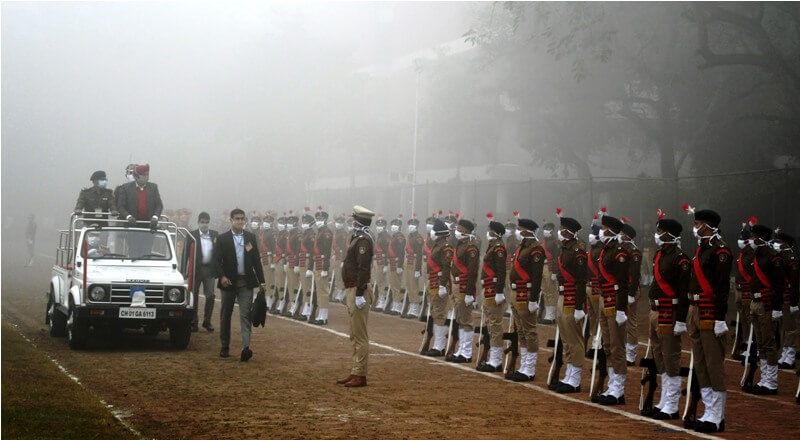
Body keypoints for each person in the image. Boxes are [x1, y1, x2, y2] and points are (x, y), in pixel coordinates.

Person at [682, 205, 732, 433]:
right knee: (701, 365)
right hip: (696, 310)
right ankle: (709, 411)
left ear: (708, 226)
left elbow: (721, 289)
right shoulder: (702, 249)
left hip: (711, 312)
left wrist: (720, 318)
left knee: (713, 364)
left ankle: (717, 416)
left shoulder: (720, 251)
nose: (694, 227)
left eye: (697, 224)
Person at [643, 216, 690, 420]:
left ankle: (672, 404)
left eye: (661, 231)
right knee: (659, 356)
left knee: (670, 357)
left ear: (669, 234)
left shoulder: (681, 258)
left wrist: (680, 320)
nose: (658, 235)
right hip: (655, 310)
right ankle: (664, 400)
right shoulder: (660, 254)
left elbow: (683, 291)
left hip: (669, 312)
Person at [215, 209, 266, 361]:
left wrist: (261, 281)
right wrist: (222, 277)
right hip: (228, 282)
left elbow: (256, 260)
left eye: (242, 219)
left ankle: (246, 348)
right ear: (231, 220)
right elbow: (217, 261)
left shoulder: (250, 237)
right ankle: (225, 345)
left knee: (245, 315)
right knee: (226, 315)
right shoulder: (222, 239)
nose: (240, 221)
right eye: (237, 219)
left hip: (246, 282)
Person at [743, 223, 785, 395]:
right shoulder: (757, 255)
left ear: (761, 238)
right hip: (755, 302)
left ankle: (772, 382)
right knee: (760, 344)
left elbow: (779, 284)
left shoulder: (773, 257)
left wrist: (776, 307)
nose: (750, 239)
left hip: (767, 304)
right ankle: (764, 379)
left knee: (769, 344)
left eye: (753, 236)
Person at [336, 205, 375, 388]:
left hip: (358, 290)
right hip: (352, 288)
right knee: (354, 334)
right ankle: (355, 371)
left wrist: (360, 293)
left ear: (358, 221)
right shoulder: (358, 238)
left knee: (360, 336)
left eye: (354, 219)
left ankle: (360, 374)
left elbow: (363, 268)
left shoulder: (363, 241)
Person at [593, 214, 630, 405]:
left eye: (604, 228)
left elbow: (623, 284)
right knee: (607, 346)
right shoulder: (605, 250)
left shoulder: (619, 253)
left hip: (614, 302)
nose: (601, 231)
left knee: (617, 346)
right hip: (604, 300)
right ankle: (612, 385)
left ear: (612, 231)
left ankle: (618, 389)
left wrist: (621, 309)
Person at [551, 213, 588, 393]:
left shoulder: (577, 251)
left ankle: (575, 378)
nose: (558, 232)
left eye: (561, 229)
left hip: (572, 298)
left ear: (568, 232)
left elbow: (581, 280)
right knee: (566, 339)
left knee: (574, 339)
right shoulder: (565, 249)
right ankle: (569, 372)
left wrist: (579, 307)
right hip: (563, 295)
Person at [506, 217, 545, 381]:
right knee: (521, 331)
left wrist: (533, 299)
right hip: (516, 293)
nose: (516, 232)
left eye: (519, 229)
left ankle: (529, 368)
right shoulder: (522, 247)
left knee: (529, 331)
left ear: (525, 232)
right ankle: (523, 366)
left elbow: (536, 277)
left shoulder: (536, 249)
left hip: (526, 293)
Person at [476, 213, 507, 373]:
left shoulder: (499, 248)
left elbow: (501, 272)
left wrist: (499, 292)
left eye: (490, 231)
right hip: (488, 288)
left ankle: (496, 360)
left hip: (493, 289)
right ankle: (493, 358)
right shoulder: (493, 246)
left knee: (495, 325)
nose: (487, 233)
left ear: (496, 233)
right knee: (490, 323)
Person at [446, 219, 480, 363]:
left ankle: (466, 352)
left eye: (459, 228)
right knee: (460, 318)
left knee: (466, 320)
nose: (456, 230)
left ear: (465, 231)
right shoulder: (460, 244)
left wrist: (469, 293)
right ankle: (461, 349)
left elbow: (472, 272)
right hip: (456, 284)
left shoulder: (471, 248)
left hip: (464, 286)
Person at [422, 219, 454, 357]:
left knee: (440, 313)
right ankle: (437, 343)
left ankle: (439, 346)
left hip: (440, 281)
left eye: (434, 230)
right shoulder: (437, 245)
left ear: (439, 232)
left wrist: (442, 285)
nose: (432, 233)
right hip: (434, 280)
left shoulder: (445, 247)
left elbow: (446, 266)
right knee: (435, 311)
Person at [188, 212, 219, 332]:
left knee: (210, 295)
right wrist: (185, 270)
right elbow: (186, 253)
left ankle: (207, 321)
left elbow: (218, 254)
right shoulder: (192, 235)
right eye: (202, 222)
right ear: (198, 222)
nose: (204, 224)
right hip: (196, 270)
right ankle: (193, 321)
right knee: (193, 295)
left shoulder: (215, 235)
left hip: (209, 270)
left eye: (206, 222)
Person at [775, 232, 799, 369]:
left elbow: (794, 282)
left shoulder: (791, 258)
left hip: (789, 297)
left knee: (791, 328)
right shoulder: (782, 257)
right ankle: (785, 352)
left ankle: (790, 355)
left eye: (778, 241)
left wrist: (794, 302)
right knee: (784, 328)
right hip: (782, 297)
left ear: (785, 243)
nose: (776, 243)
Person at [621, 222, 643, 366]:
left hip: (630, 289)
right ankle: (623, 349)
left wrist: (631, 293)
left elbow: (634, 275)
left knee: (631, 322)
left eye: (622, 233)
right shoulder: (620, 249)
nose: (620, 235)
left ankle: (631, 353)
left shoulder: (634, 252)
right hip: (621, 288)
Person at [116, 164, 164, 228]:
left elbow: (159, 205)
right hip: (132, 224)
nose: (146, 177)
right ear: (136, 176)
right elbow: (121, 206)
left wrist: (155, 217)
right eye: (144, 175)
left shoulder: (153, 187)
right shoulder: (126, 188)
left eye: (147, 174)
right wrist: (128, 217)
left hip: (149, 224)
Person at [311, 209, 333, 325]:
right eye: (317, 219)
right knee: (319, 290)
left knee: (323, 290)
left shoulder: (326, 232)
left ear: (325, 220)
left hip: (322, 263)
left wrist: (325, 268)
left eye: (320, 219)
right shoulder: (319, 231)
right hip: (317, 262)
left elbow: (327, 251)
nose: (318, 221)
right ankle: (321, 312)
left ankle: (324, 315)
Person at [403, 213, 425, 319]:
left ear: (416, 226)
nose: (410, 227)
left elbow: (420, 254)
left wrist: (418, 269)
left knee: (414, 285)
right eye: (409, 225)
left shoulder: (418, 238)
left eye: (412, 225)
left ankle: (415, 306)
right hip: (408, 261)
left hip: (414, 261)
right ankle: (412, 305)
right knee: (409, 284)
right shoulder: (410, 237)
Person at [540, 222, 561, 324]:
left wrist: (555, 272)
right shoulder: (543, 241)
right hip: (543, 267)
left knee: (551, 291)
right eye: (545, 228)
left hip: (550, 268)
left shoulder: (555, 242)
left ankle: (551, 315)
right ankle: (548, 313)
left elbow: (557, 258)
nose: (546, 230)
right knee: (545, 291)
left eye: (548, 228)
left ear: (552, 230)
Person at [387, 216, 407, 316]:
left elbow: (401, 252)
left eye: (395, 225)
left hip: (397, 262)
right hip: (392, 262)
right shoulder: (394, 236)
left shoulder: (399, 237)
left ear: (399, 226)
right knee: (393, 284)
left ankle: (397, 305)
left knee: (396, 284)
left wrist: (399, 266)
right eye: (392, 225)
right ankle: (395, 303)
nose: (393, 226)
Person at [372, 216, 391, 311]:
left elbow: (388, 251)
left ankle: (382, 299)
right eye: (377, 225)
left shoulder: (385, 236)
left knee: (381, 282)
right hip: (377, 261)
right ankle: (380, 298)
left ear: (384, 226)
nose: (379, 227)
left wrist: (386, 264)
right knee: (378, 281)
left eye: (381, 225)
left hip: (382, 261)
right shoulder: (379, 235)